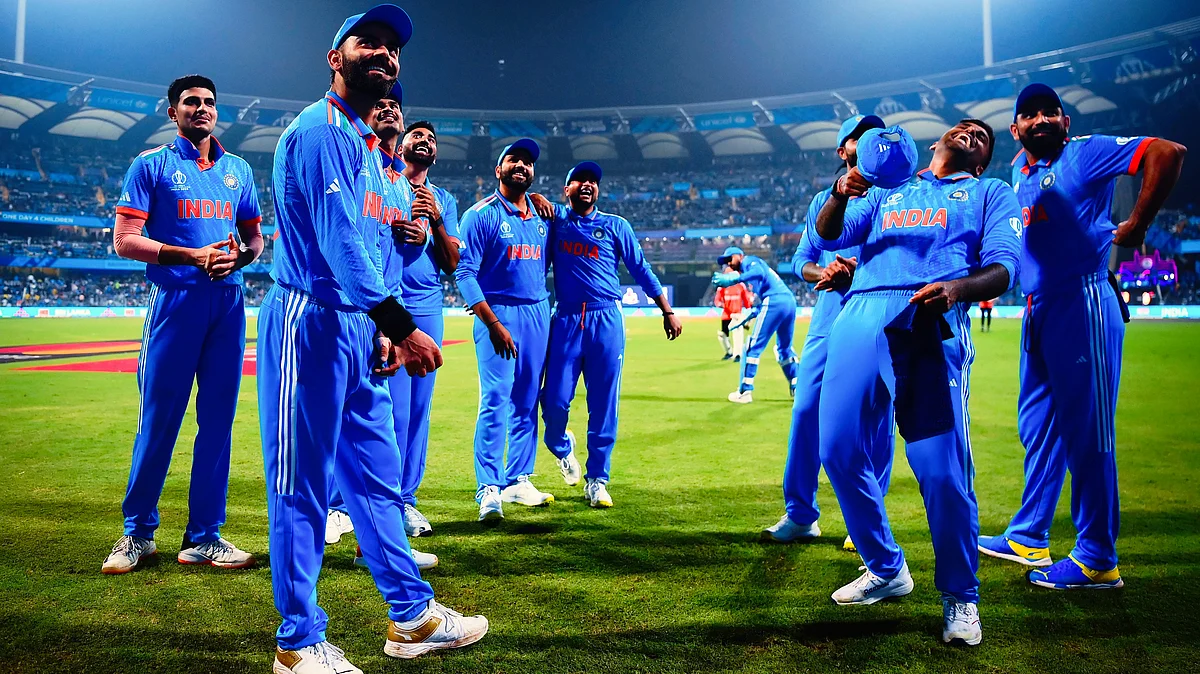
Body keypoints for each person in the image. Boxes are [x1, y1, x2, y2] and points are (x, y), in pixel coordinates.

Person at [260, 7, 486, 672]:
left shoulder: (363, 146)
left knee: (377, 481)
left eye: (392, 47)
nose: (384, 53)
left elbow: (371, 246)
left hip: (353, 329)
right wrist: (402, 325)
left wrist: (377, 328)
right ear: (336, 58)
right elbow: (337, 244)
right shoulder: (319, 130)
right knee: (301, 484)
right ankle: (297, 645)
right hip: (310, 319)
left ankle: (411, 617)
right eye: (369, 42)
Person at [813, 120, 1022, 646]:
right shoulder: (889, 188)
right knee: (837, 450)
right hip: (859, 313)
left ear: (983, 160)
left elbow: (1004, 268)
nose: (972, 131)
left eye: (983, 136)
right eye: (963, 126)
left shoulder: (988, 192)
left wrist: (957, 287)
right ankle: (886, 568)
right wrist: (840, 191)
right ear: (933, 143)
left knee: (941, 470)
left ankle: (961, 598)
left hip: (925, 316)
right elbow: (830, 232)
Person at [978, 83, 1186, 590]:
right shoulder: (1016, 171)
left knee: (1088, 433)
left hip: (1082, 301)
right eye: (1030, 115)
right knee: (1040, 429)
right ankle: (1029, 534)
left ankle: (1097, 555)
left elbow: (1167, 151)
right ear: (1015, 130)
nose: (1042, 119)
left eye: (1051, 112)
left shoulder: (1086, 152)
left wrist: (1137, 221)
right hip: (1039, 309)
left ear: (1065, 122)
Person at [103, 74, 262, 575]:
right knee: (160, 420)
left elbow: (255, 239)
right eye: (191, 102)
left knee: (217, 423)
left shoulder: (238, 169)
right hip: (175, 302)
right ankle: (137, 534)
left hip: (229, 305)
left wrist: (238, 260)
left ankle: (205, 536)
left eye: (210, 102)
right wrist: (190, 256)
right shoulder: (151, 165)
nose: (202, 108)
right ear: (172, 112)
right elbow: (125, 240)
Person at [762, 115, 895, 551]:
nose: (871, 140)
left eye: (878, 134)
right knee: (805, 413)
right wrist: (828, 271)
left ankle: (868, 524)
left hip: (880, 316)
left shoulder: (899, 193)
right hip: (829, 316)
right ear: (844, 151)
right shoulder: (823, 199)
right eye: (860, 136)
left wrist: (865, 272)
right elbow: (802, 260)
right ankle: (801, 515)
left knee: (876, 421)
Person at [529, 162, 682, 508]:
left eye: (593, 181)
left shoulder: (616, 226)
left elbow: (640, 268)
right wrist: (534, 198)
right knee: (553, 401)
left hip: (606, 318)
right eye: (579, 180)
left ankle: (597, 479)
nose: (587, 185)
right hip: (566, 318)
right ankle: (560, 445)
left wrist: (667, 310)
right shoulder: (554, 223)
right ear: (566, 189)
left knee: (604, 404)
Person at [454, 138, 553, 523]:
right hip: (498, 316)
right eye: (513, 160)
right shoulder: (480, 215)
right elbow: (463, 272)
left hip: (538, 313)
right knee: (496, 399)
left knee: (528, 399)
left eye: (528, 163)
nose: (521, 166)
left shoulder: (545, 216)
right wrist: (491, 321)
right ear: (498, 170)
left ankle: (519, 479)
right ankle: (489, 488)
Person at [711, 247, 799, 404]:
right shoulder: (750, 277)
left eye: (730, 259)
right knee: (783, 348)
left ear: (739, 255)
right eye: (726, 263)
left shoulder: (749, 261)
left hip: (774, 300)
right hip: (788, 301)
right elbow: (764, 286)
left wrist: (735, 279)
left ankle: (745, 391)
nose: (729, 264)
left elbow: (760, 272)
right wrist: (753, 312)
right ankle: (797, 386)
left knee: (751, 348)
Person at [714, 269, 752, 361]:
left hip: (737, 315)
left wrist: (748, 315)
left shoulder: (741, 286)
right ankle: (729, 352)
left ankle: (738, 355)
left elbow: (747, 302)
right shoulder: (722, 286)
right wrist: (722, 305)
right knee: (723, 334)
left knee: (737, 334)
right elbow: (717, 301)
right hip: (726, 315)